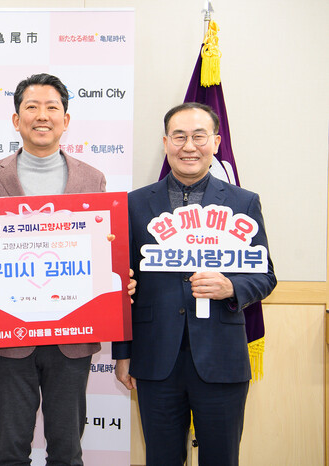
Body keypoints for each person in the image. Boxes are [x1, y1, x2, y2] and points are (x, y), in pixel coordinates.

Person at [0, 73, 134, 466]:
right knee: (10, 451)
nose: (42, 115)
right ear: (16, 120)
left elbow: (102, 247)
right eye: (31, 107)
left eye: (52, 107)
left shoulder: (93, 179)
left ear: (66, 120)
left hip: (74, 335)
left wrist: (117, 279)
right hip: (8, 335)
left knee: (67, 451)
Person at [112, 102, 277, 466]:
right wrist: (123, 354)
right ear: (165, 143)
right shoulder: (134, 204)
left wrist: (231, 288)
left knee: (221, 458)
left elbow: (265, 275)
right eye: (179, 136)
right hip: (155, 358)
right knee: (161, 458)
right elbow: (122, 285)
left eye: (199, 136)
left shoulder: (243, 202)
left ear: (216, 142)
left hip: (221, 358)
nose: (189, 146)